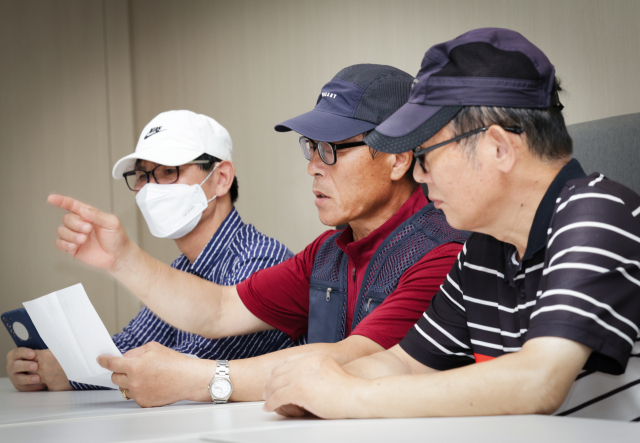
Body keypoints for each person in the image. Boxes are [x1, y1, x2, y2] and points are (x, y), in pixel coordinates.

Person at [262, 28, 640, 421]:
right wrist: (312, 385)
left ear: (499, 148)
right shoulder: (482, 250)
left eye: (426, 154)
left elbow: (539, 380)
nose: (418, 175)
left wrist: (347, 395)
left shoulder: (598, 212)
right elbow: (405, 363)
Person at [49, 64, 468, 407]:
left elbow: (354, 359)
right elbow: (220, 309)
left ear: (398, 158)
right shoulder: (329, 252)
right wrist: (122, 258)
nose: (313, 167)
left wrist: (198, 379)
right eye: (311, 147)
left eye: (331, 149)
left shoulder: (442, 252)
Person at [7, 110, 295, 392]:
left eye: (168, 171)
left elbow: (195, 362)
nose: (149, 189)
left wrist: (74, 372)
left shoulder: (261, 259)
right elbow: (134, 341)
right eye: (142, 175)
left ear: (221, 178)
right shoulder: (182, 267)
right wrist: (44, 363)